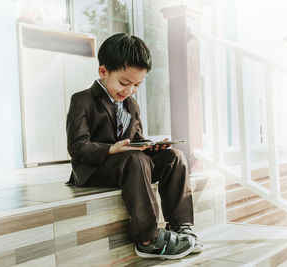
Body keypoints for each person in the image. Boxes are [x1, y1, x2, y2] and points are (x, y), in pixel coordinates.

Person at [66, 33, 203, 259]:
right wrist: (111, 149)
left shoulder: (131, 104)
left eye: (137, 85)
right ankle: (147, 239)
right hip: (94, 169)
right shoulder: (82, 100)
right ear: (103, 72)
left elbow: (136, 138)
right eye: (124, 83)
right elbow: (77, 147)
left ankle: (181, 226)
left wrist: (152, 146)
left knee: (174, 157)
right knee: (135, 159)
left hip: (129, 165)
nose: (129, 90)